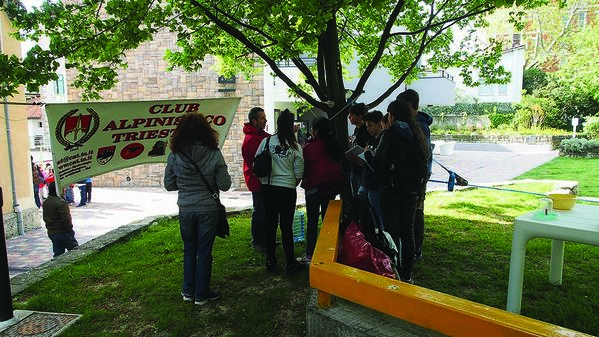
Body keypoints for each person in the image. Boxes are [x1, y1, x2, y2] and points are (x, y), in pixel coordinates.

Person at [164, 112, 232, 305]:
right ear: (206, 131)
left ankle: (188, 291)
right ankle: (201, 294)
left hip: (185, 208)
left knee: (189, 249)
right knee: (204, 251)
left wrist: (186, 184)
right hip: (208, 209)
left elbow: (169, 185)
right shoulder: (213, 153)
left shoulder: (175, 155)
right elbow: (225, 184)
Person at [374, 99, 429, 284]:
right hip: (412, 192)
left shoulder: (389, 135)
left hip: (391, 192)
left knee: (392, 233)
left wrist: (383, 180)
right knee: (408, 232)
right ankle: (407, 273)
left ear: (392, 116)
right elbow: (424, 165)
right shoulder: (417, 134)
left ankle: (393, 270)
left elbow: (378, 159)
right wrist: (420, 192)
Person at [255, 109, 304, 275]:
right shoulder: (296, 147)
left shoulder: (267, 142)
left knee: (270, 224)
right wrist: (289, 182)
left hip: (268, 187)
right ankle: (290, 262)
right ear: (291, 126)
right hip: (287, 190)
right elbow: (299, 174)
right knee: (286, 226)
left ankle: (270, 260)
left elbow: (257, 163)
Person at [299, 117, 344, 264]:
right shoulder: (334, 144)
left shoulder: (308, 147)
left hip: (313, 187)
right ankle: (331, 253)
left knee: (312, 221)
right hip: (331, 187)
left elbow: (302, 166)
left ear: (315, 130)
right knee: (328, 221)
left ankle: (310, 254)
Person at [397, 89, 433, 261]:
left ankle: (416, 249)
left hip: (418, 178)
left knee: (416, 214)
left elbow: (424, 156)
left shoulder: (420, 126)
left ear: (410, 105)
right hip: (413, 177)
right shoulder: (412, 124)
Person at [242, 107, 270, 252]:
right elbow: (258, 162)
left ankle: (265, 238)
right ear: (254, 120)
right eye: (262, 118)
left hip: (263, 179)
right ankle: (258, 240)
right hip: (256, 179)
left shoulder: (261, 135)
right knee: (259, 210)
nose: (265, 120)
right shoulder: (252, 139)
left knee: (265, 209)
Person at [360, 110, 385, 230]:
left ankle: (381, 241)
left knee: (377, 216)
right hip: (365, 182)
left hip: (375, 185)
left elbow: (378, 164)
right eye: (366, 126)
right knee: (365, 214)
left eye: (370, 126)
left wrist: (368, 155)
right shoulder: (370, 140)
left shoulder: (383, 141)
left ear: (379, 123)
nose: (368, 129)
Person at [42, 180, 79, 258]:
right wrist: (70, 231)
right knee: (77, 254)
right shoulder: (61, 203)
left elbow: (44, 217)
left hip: (52, 232)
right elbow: (66, 220)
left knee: (58, 255)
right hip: (63, 233)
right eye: (62, 188)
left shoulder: (46, 202)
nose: (64, 190)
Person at [347, 103, 370, 197]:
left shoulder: (366, 131)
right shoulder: (356, 130)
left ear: (360, 116)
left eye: (352, 115)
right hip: (353, 170)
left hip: (362, 171)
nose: (349, 117)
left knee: (362, 200)